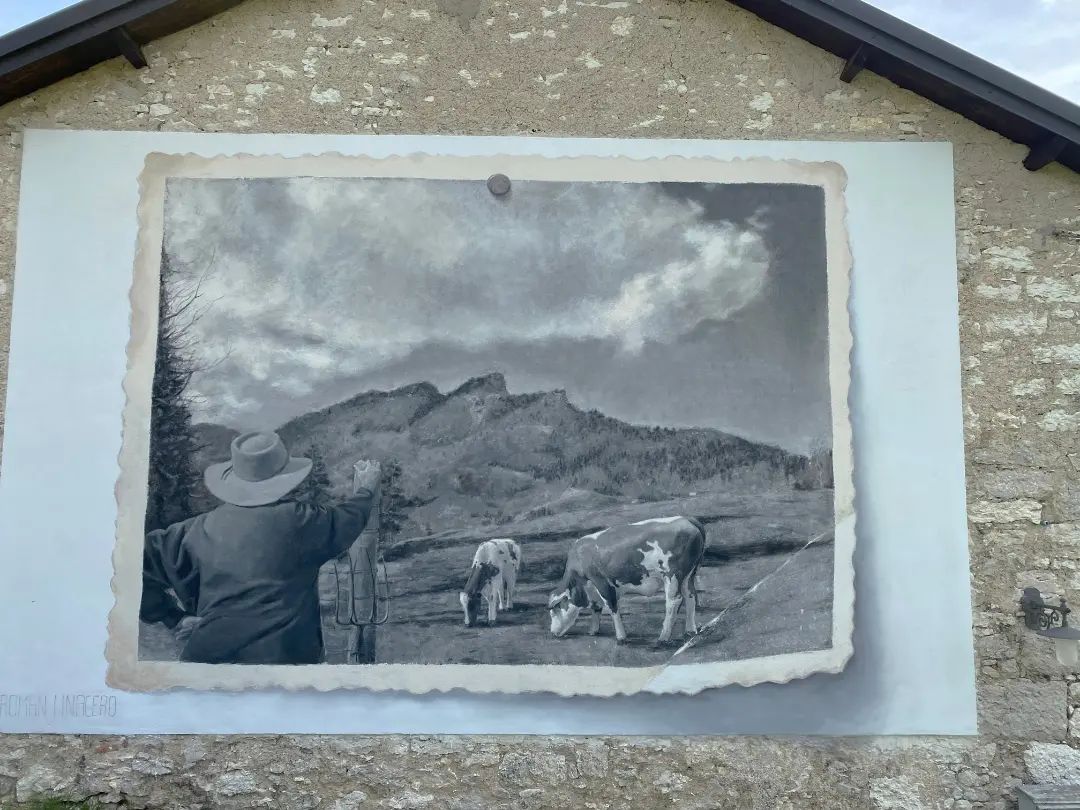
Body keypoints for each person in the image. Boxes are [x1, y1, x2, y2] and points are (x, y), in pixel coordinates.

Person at [139, 431, 379, 665]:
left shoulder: (193, 531)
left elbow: (132, 568)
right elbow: (350, 517)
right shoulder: (302, 520)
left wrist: (175, 618)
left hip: (205, 665)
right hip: (285, 664)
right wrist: (367, 490)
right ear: (285, 478)